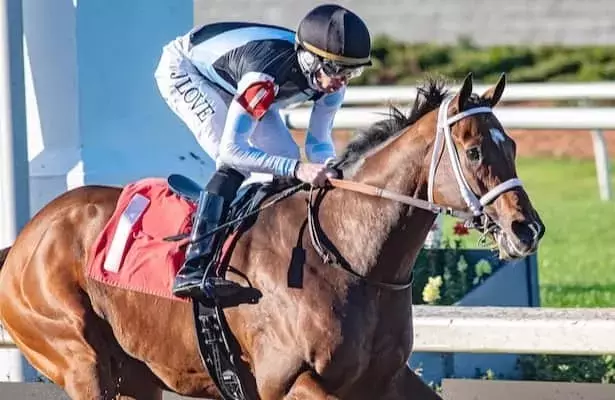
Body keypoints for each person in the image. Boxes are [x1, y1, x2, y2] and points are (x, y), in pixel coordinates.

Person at [154, 3, 372, 301]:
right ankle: (195, 266)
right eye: (336, 70)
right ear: (310, 59)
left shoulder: (330, 82)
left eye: (351, 71)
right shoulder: (264, 77)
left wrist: (329, 169)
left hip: (237, 78)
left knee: (286, 156)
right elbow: (232, 151)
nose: (342, 81)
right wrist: (299, 170)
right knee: (238, 163)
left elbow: (318, 143)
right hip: (187, 69)